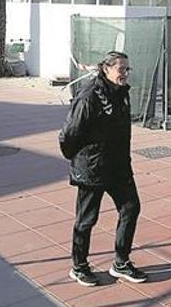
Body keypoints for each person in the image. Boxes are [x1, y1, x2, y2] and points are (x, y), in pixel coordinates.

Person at [59, 51, 148, 286]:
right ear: (107, 69)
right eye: (122, 69)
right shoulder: (90, 95)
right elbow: (69, 133)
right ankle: (79, 267)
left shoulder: (121, 93)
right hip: (93, 169)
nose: (126, 74)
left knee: (131, 208)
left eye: (128, 69)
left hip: (119, 166)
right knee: (87, 219)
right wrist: (78, 160)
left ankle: (121, 262)